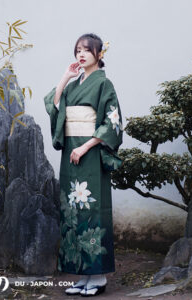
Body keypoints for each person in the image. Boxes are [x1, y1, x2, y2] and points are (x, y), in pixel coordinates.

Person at [44, 33, 123, 297]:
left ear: (99, 54)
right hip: (70, 152)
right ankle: (82, 274)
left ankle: (98, 276)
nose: (81, 54)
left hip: (89, 154)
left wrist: (86, 146)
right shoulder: (75, 83)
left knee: (92, 209)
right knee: (72, 211)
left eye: (87, 50)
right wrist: (65, 77)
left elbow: (111, 123)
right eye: (78, 50)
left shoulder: (104, 84)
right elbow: (57, 107)